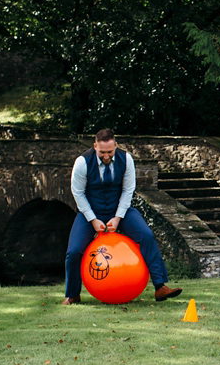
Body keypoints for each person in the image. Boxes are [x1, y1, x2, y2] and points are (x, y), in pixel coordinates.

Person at [62, 129, 181, 305]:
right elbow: (78, 194)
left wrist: (117, 217)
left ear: (115, 146)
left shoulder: (126, 160)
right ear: (95, 146)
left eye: (110, 152)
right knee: (73, 252)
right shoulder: (82, 163)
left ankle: (160, 287)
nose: (106, 156)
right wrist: (93, 219)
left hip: (120, 210)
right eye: (102, 152)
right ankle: (72, 294)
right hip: (90, 212)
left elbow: (128, 190)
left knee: (146, 235)